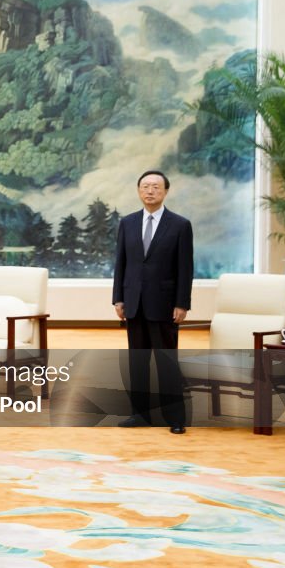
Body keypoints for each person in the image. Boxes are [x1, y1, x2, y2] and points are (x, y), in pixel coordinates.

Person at [112, 170, 193, 434]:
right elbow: (121, 263)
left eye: (156, 187)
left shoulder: (180, 225)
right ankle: (140, 415)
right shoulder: (127, 223)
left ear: (165, 191)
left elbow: (185, 268)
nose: (150, 191)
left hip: (165, 305)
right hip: (134, 304)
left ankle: (176, 418)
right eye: (145, 186)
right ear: (139, 191)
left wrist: (182, 304)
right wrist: (118, 298)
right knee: (137, 364)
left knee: (167, 363)